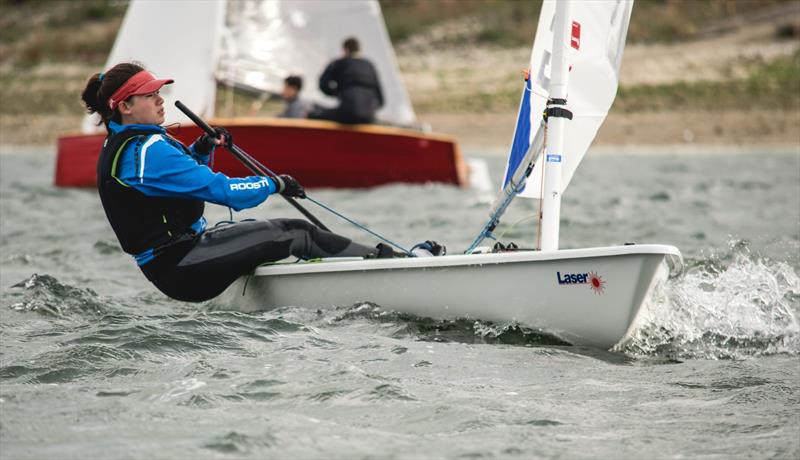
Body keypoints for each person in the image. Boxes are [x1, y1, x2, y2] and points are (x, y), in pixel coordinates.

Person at [81, 62, 431, 303]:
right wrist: (274, 184)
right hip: (182, 268)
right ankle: (393, 263)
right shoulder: (148, 150)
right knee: (296, 231)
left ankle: (350, 270)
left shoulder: (126, 144)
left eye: (160, 92)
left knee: (262, 232)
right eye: (150, 95)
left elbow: (170, 185)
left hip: (173, 266)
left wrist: (201, 149)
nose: (160, 99)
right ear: (125, 105)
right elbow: (225, 192)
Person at [309, 37, 384, 124]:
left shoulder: (339, 63)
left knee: (313, 113)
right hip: (369, 117)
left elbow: (323, 84)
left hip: (347, 114)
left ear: (345, 50)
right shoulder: (370, 66)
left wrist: (336, 93)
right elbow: (381, 100)